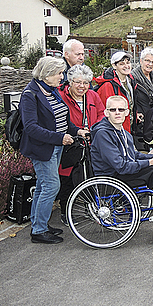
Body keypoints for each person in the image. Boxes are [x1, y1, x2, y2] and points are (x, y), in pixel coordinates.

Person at [91, 96, 153, 225]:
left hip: (121, 173)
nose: (117, 113)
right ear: (106, 113)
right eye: (113, 110)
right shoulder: (103, 134)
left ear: (127, 112)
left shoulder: (123, 133)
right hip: (111, 178)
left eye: (121, 109)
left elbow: (134, 155)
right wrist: (151, 162)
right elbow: (121, 166)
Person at [19, 57, 86, 243]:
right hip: (42, 149)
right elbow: (31, 128)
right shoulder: (30, 95)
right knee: (51, 186)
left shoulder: (51, 91)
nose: (61, 77)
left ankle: (39, 224)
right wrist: (59, 138)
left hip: (55, 147)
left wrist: (76, 130)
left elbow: (62, 118)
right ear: (46, 74)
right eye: (58, 73)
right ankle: (39, 231)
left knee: (42, 186)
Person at [57, 64, 105, 225]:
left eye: (85, 83)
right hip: (69, 143)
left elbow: (100, 113)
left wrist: (94, 129)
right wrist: (76, 131)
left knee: (90, 175)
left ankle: (89, 209)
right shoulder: (61, 96)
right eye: (77, 82)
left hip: (89, 143)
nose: (81, 86)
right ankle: (66, 212)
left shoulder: (92, 95)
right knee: (68, 178)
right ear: (69, 82)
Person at [95, 51, 138, 133]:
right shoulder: (108, 85)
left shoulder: (131, 81)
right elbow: (106, 110)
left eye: (128, 63)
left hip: (129, 125)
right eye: (122, 64)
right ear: (114, 66)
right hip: (116, 129)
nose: (126, 66)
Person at [132, 47, 153, 150]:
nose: (150, 64)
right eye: (147, 61)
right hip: (140, 121)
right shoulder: (132, 78)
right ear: (141, 61)